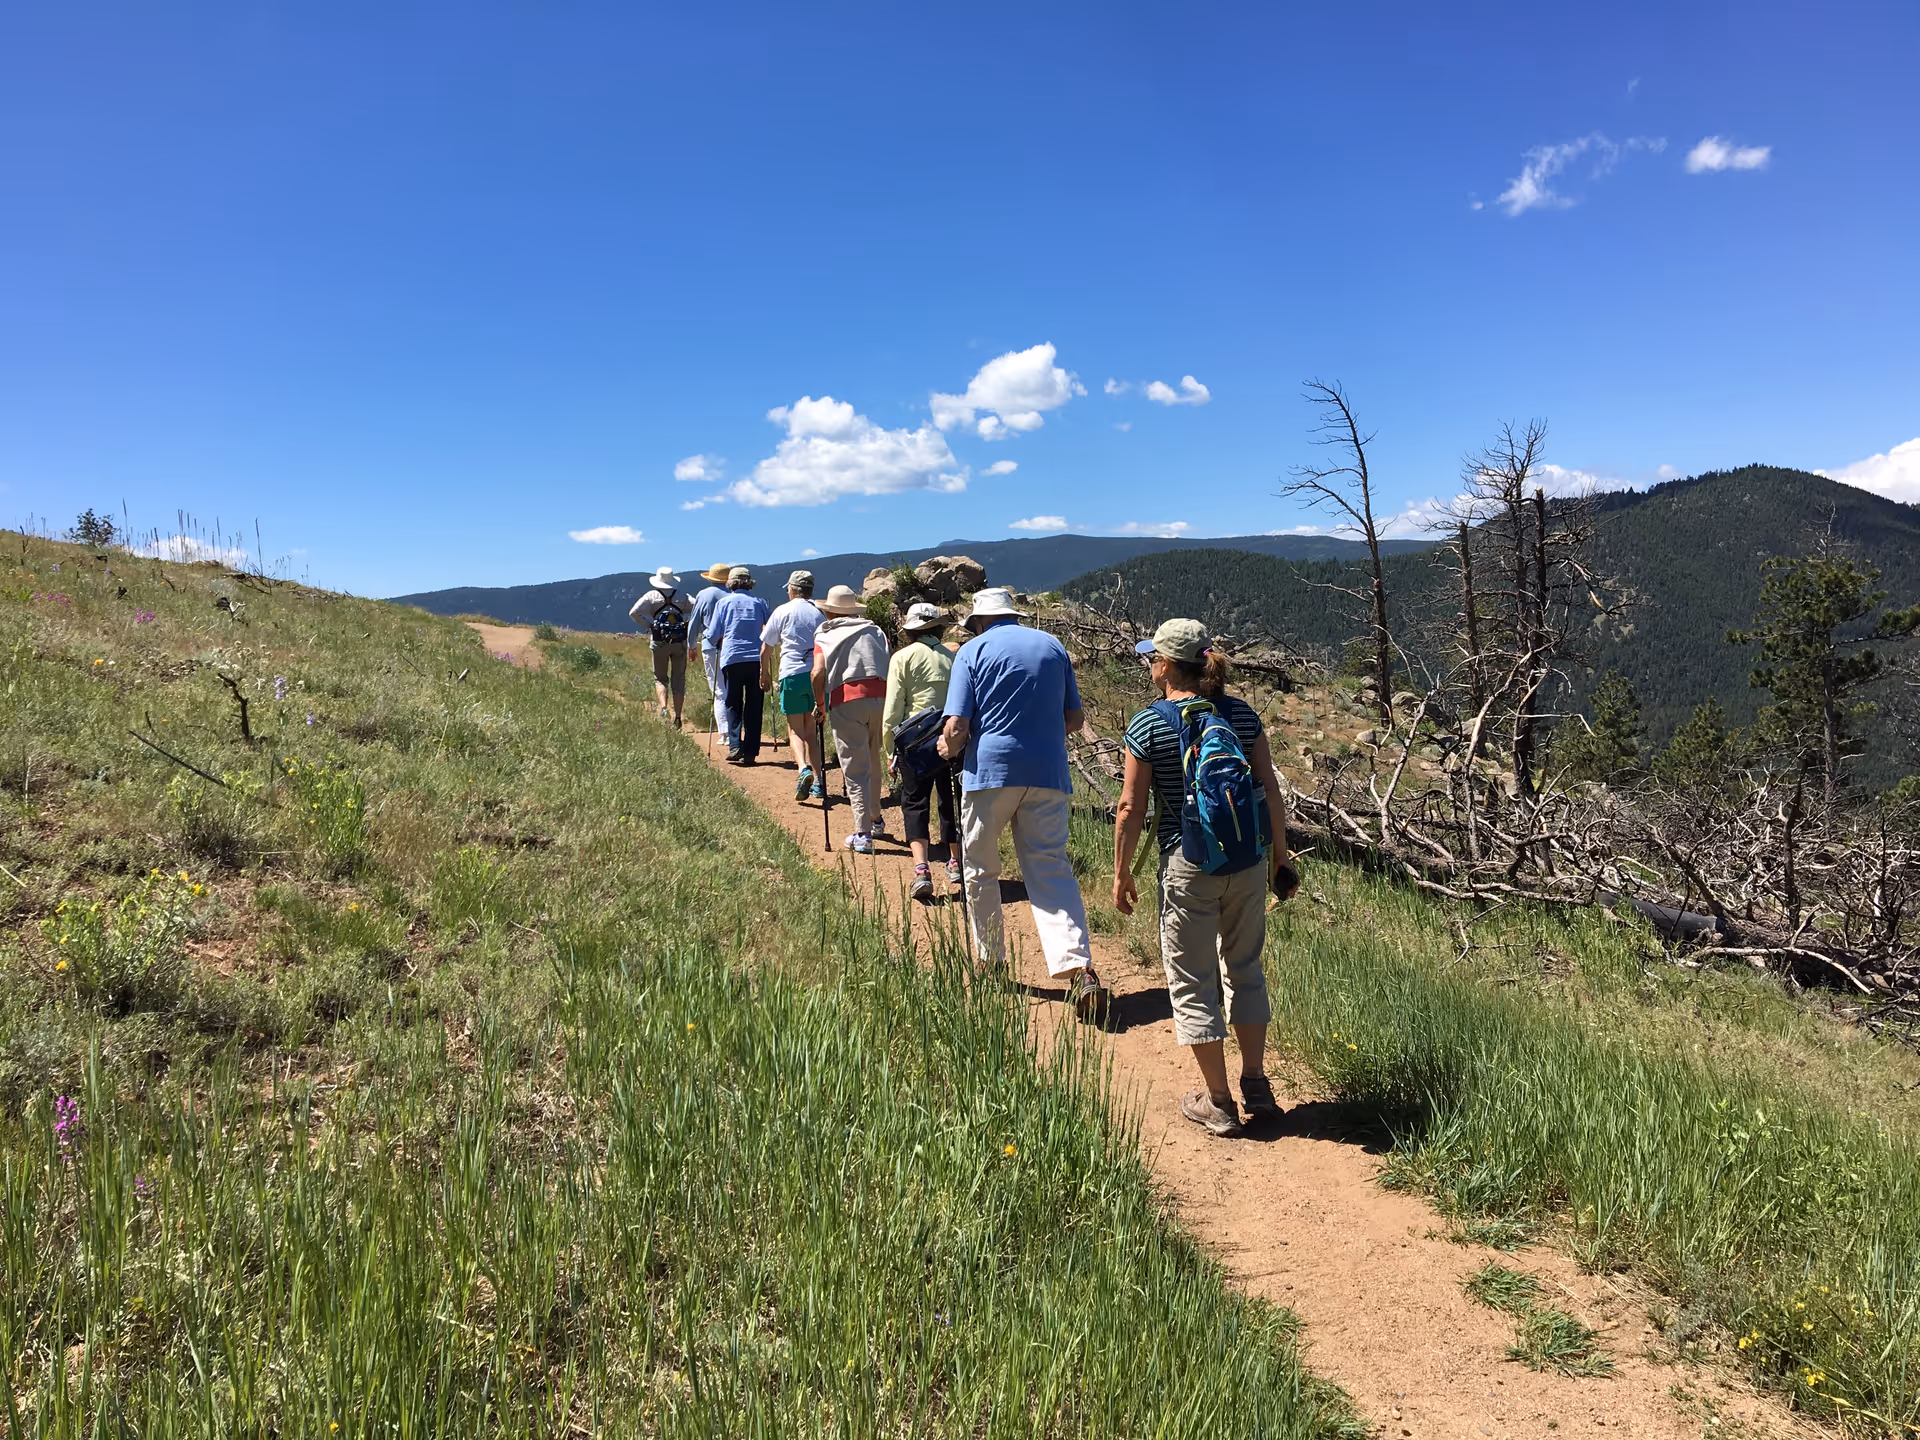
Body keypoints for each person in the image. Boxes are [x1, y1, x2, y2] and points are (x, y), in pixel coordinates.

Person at [1112, 618, 1299, 1139]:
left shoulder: (1149, 724)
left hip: (1187, 862)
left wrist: (1122, 871)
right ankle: (1257, 1085)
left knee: (1194, 981)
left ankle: (1218, 1102)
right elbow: (1269, 791)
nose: (1151, 664)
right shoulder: (1241, 715)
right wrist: (1279, 858)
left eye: (1154, 658)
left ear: (1168, 666)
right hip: (1248, 861)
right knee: (1245, 968)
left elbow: (1130, 805)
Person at [937, 587, 1107, 1020]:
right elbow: (1075, 720)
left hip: (990, 774)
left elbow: (957, 724)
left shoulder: (972, 652)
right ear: (1014, 615)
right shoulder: (1053, 646)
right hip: (1049, 773)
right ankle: (1078, 967)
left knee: (980, 868)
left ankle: (990, 961)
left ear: (979, 621)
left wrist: (947, 746)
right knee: (1050, 865)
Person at [882, 601, 961, 900]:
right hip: (948, 738)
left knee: (914, 802)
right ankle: (955, 862)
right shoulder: (952, 657)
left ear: (911, 630)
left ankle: (921, 869)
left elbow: (892, 710)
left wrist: (890, 748)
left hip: (914, 742)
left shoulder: (901, 658)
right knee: (949, 800)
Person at [811, 585, 890, 853]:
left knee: (855, 768)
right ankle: (876, 818)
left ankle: (863, 833)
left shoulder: (825, 634)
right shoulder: (874, 630)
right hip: (881, 696)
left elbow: (817, 673)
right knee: (872, 757)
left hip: (846, 698)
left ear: (829, 611)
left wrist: (820, 704)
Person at [760, 570, 825, 801]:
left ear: (793, 589)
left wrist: (764, 673)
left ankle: (803, 769)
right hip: (816, 674)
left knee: (795, 728)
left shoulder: (782, 611)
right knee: (812, 731)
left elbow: (766, 647)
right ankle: (819, 782)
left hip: (791, 673)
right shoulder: (819, 612)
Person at [708, 567, 770, 764]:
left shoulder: (723, 603)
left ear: (730, 583)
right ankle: (751, 751)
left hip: (732, 658)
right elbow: (769, 629)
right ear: (749, 583)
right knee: (754, 705)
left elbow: (712, 634)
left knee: (733, 701)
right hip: (755, 659)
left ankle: (735, 745)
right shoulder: (760, 603)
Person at [627, 565, 690, 726]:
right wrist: (686, 624)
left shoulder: (651, 596)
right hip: (679, 642)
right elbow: (697, 609)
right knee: (678, 679)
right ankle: (677, 717)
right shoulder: (683, 596)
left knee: (660, 678)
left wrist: (649, 625)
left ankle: (663, 708)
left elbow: (633, 613)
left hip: (659, 641)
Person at [685, 562, 735, 739]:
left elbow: (694, 622)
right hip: (733, 647)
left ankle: (725, 732)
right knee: (732, 688)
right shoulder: (733, 594)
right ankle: (735, 730)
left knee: (718, 689)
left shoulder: (704, 595)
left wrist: (691, 645)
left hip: (710, 646)